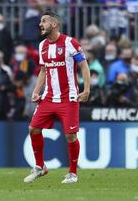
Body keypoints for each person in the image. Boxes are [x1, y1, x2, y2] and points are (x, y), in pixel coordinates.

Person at [23, 12, 90, 184]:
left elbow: (83, 66)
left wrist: (87, 89)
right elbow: (43, 71)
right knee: (33, 129)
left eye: (44, 21)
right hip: (49, 97)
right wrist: (36, 91)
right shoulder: (42, 46)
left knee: (70, 135)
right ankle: (40, 167)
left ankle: (73, 173)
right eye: (40, 21)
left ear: (54, 24)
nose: (40, 24)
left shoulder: (70, 43)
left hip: (68, 98)